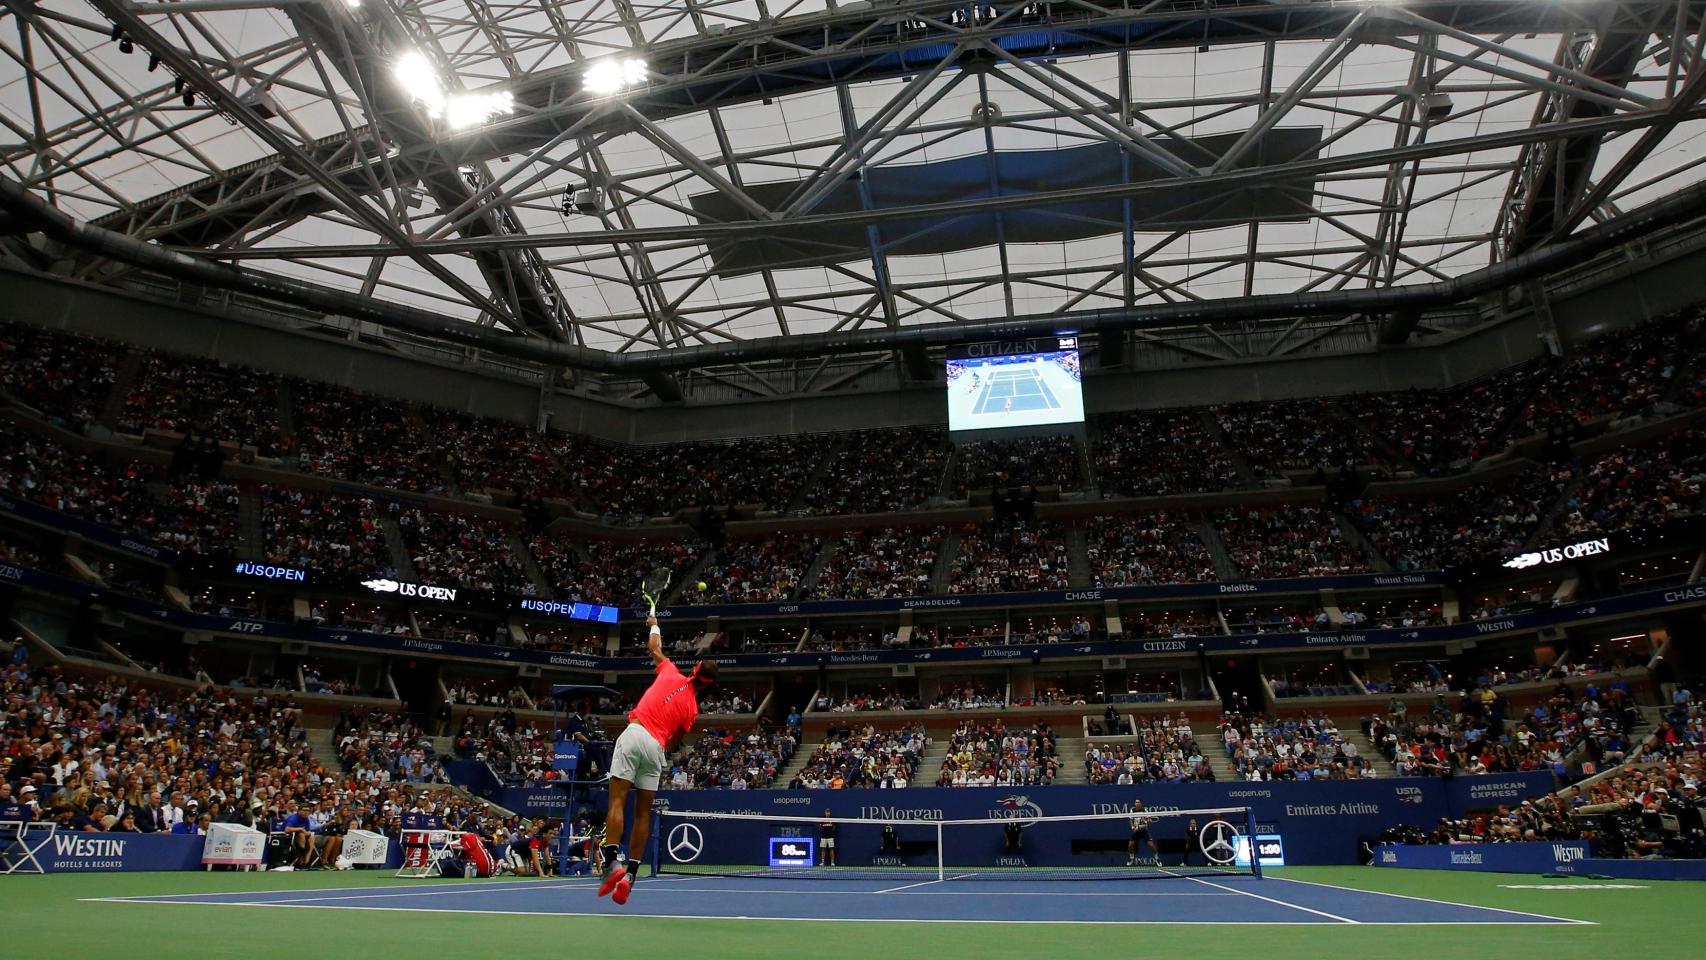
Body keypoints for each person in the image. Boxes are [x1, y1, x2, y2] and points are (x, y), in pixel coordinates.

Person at [597, 614, 718, 904]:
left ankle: (612, 861)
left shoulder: (671, 671)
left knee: (616, 801)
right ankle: (631, 875)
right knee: (643, 813)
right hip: (655, 748)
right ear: (707, 684)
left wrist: (654, 623)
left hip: (635, 732)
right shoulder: (691, 709)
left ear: (694, 670)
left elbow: (654, 647)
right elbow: (674, 741)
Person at [1128, 798, 1159, 866]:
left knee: (1151, 845)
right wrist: (1132, 827)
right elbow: (1130, 820)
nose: (1137, 803)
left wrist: (1148, 821)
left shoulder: (1145, 810)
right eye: (1136, 802)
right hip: (1136, 830)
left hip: (1144, 830)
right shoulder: (1132, 810)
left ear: (1141, 803)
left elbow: (1149, 820)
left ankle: (1157, 859)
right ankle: (1131, 858)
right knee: (1130, 845)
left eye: (1138, 802)